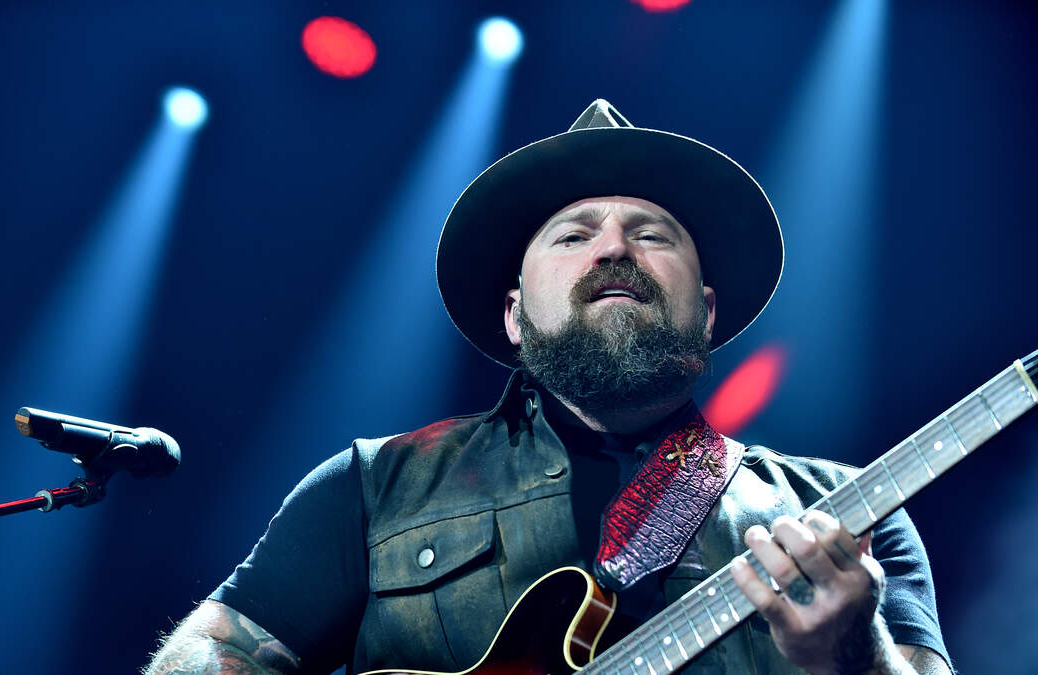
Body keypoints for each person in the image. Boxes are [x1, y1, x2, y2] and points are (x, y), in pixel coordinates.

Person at [145, 100, 951, 675]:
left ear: (705, 312)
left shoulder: (848, 512)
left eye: (652, 234)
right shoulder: (375, 485)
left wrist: (857, 657)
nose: (614, 249)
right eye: (573, 235)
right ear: (515, 316)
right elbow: (212, 652)